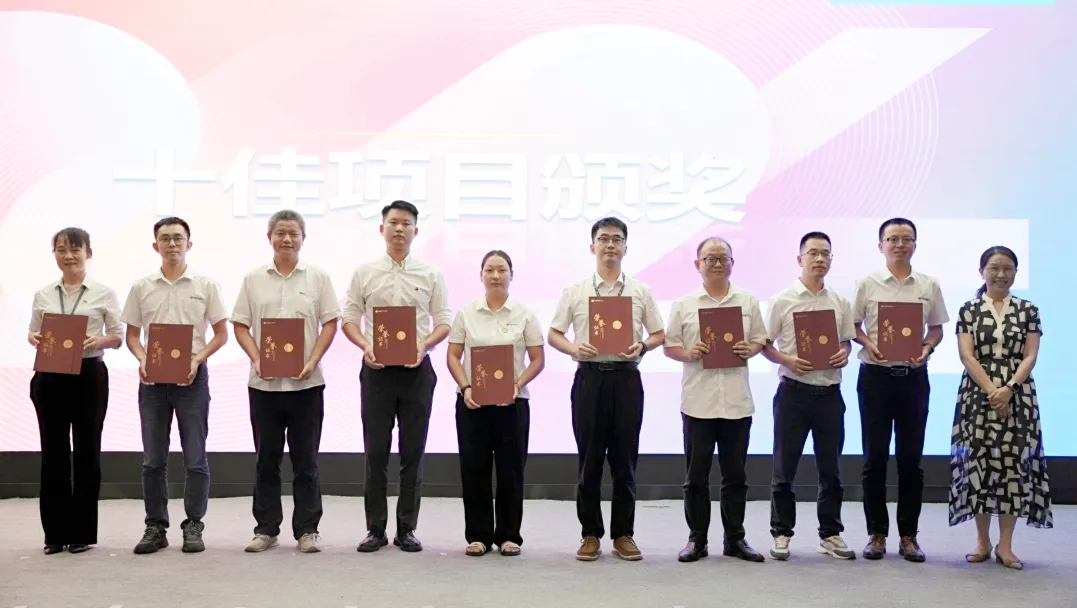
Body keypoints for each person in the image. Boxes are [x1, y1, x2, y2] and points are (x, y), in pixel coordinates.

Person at [548, 217, 665, 562]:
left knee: (625, 460)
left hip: (626, 379)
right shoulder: (576, 291)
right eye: (603, 239)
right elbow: (553, 334)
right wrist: (573, 348)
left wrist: (643, 346)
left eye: (616, 239)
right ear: (592, 247)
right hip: (590, 379)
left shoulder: (640, 291)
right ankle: (590, 534)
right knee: (590, 460)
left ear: (625, 248)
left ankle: (623, 534)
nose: (610, 245)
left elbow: (659, 333)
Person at [342, 200, 452, 553]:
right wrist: (365, 346)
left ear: (415, 231)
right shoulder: (365, 272)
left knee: (412, 453)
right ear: (382, 229)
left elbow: (444, 322)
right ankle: (375, 529)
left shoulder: (430, 274)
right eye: (393, 222)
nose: (399, 228)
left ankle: (407, 528)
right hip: (376, 372)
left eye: (406, 223)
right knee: (375, 452)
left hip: (416, 372)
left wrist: (424, 346)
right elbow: (349, 319)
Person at [231, 209, 341, 554]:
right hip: (264, 386)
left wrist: (313, 360)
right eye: (280, 233)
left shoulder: (318, 277)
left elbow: (330, 323)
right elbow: (240, 325)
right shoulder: (253, 278)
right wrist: (257, 358)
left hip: (306, 385)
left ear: (303, 238)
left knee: (306, 461)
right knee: (266, 460)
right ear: (269, 238)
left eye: (293, 233)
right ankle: (266, 529)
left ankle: (307, 530)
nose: (287, 239)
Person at [122, 217, 229, 555]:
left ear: (189, 244)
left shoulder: (206, 285)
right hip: (152, 382)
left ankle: (194, 524)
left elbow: (221, 334)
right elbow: (132, 336)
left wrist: (198, 358)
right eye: (165, 239)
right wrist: (142, 358)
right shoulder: (141, 287)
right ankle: (155, 526)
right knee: (153, 459)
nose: (172, 244)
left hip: (192, 380)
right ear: (156, 245)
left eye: (178, 238)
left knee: (195, 457)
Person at [663, 237, 767, 564]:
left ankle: (735, 539)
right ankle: (697, 539)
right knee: (696, 477)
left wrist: (752, 348)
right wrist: (688, 353)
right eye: (710, 258)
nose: (718, 264)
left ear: (733, 263)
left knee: (736, 477)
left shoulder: (748, 301)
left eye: (724, 258)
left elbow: (760, 338)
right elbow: (669, 346)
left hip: (736, 401)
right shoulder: (684, 304)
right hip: (699, 401)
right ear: (698, 265)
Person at [853, 217, 948, 562]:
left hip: (913, 378)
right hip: (875, 378)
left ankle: (909, 535)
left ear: (915, 245)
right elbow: (853, 325)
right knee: (874, 459)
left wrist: (927, 348)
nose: (899, 244)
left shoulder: (928, 284)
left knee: (911, 460)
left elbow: (936, 328)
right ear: (881, 246)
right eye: (892, 239)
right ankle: (876, 533)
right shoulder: (866, 283)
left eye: (906, 239)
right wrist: (867, 342)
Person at [950, 246, 1051, 570]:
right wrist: (993, 391)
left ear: (1016, 273)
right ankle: (982, 542)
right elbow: (966, 355)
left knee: (1012, 466)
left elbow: (1031, 354)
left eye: (1008, 268)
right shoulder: (969, 309)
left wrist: (1009, 389)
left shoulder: (1028, 309)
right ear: (982, 271)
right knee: (978, 464)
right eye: (994, 268)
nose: (1001, 274)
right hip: (977, 393)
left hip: (1018, 395)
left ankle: (1005, 545)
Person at [27, 227, 123, 555]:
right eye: (61, 250)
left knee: (87, 451)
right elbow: (33, 332)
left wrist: (100, 340)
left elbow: (118, 336)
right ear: (54, 254)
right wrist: (34, 338)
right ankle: (54, 534)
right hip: (50, 376)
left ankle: (81, 532)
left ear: (88, 253)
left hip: (88, 375)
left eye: (75, 250)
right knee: (52, 453)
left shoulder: (103, 293)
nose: (68, 256)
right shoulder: (43, 294)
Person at [761, 232, 856, 561]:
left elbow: (846, 341)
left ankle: (830, 534)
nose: (819, 259)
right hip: (793, 393)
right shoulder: (782, 300)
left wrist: (844, 353)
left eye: (825, 254)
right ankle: (781, 533)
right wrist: (786, 359)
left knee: (831, 470)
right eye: (813, 253)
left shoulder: (840, 302)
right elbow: (765, 344)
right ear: (799, 259)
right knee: (784, 468)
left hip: (829, 394)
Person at [445, 250, 545, 557]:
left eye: (502, 270)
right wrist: (466, 386)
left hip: (512, 405)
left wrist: (517, 384)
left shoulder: (524, 314)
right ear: (481, 276)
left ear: (512, 275)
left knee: (510, 471)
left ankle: (508, 535)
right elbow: (453, 355)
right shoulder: (466, 313)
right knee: (474, 469)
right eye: (490, 270)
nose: (496, 275)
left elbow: (537, 359)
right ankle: (478, 535)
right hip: (473, 404)